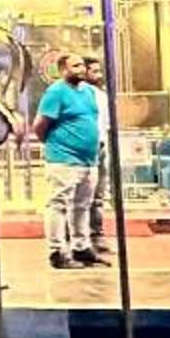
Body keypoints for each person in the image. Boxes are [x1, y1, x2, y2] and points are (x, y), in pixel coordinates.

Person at [34, 53, 107, 269]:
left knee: (82, 205)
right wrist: (57, 144)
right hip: (63, 159)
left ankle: (81, 248)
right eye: (75, 66)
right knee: (58, 204)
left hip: (88, 160)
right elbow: (40, 125)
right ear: (62, 70)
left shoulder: (88, 92)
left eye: (82, 65)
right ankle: (57, 251)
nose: (81, 69)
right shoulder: (56, 92)